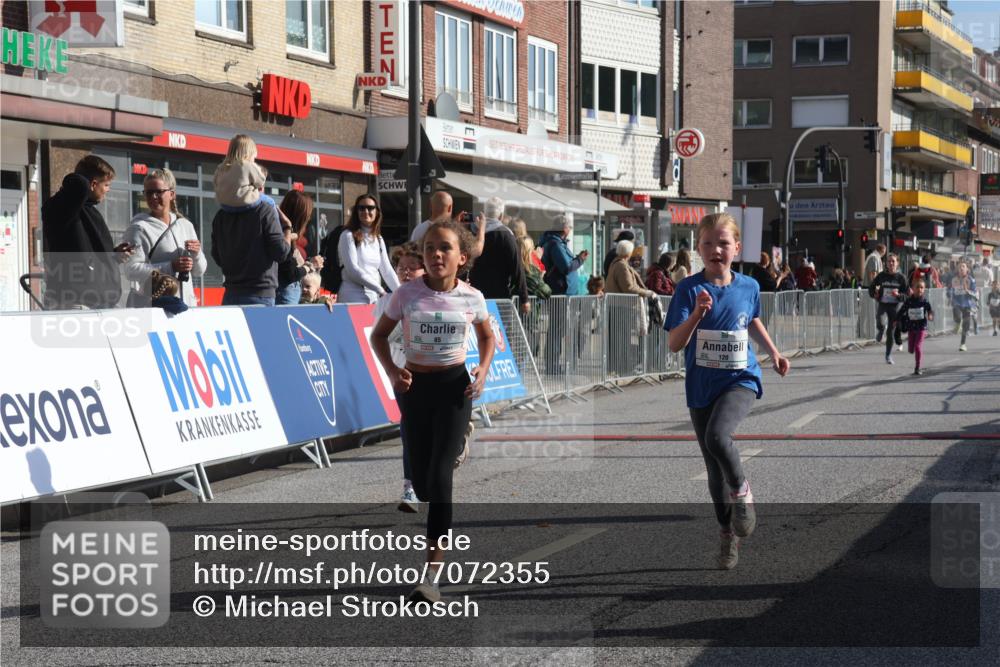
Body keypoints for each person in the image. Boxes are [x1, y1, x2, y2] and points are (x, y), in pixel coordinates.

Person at [370, 220, 495, 604]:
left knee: (440, 482)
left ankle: (431, 577)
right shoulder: (406, 294)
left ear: (462, 257)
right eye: (429, 249)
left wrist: (483, 369)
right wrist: (393, 372)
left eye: (444, 248)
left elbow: (487, 336)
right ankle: (456, 445)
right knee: (421, 486)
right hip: (415, 389)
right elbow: (378, 336)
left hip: (454, 389)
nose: (436, 255)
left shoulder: (472, 298)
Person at [665, 213, 789, 570]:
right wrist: (695, 316)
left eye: (723, 243)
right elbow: (674, 344)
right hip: (702, 384)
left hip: (740, 378)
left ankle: (743, 492)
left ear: (737, 247)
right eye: (708, 243)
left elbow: (750, 319)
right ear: (699, 248)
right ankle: (726, 535)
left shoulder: (748, 286)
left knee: (719, 437)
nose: (715, 250)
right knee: (712, 469)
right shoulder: (688, 289)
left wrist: (774, 353)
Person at [42, 155, 133, 309]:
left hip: (99, 303)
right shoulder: (62, 208)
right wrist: (83, 179)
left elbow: (89, 254)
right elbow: (79, 185)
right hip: (77, 304)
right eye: (106, 185)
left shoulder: (90, 210)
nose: (108, 190)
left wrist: (114, 255)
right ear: (93, 184)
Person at [124, 168, 206, 308]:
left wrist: (197, 254)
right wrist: (170, 266)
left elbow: (199, 271)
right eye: (149, 192)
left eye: (158, 192)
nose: (153, 197)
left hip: (187, 306)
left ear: (172, 194)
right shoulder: (138, 228)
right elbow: (131, 270)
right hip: (157, 308)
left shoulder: (185, 225)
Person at [210, 182, 289, 307]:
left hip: (231, 293)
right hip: (260, 294)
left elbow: (217, 257)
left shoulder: (221, 216)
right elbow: (280, 253)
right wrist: (287, 229)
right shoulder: (265, 210)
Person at [468, 196, 530, 314]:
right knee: (500, 330)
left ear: (484, 213)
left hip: (473, 295)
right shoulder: (506, 235)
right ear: (501, 216)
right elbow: (517, 268)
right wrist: (524, 299)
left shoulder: (471, 231)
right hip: (499, 296)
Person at [337, 194, 400, 304]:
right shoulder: (347, 235)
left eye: (370, 208)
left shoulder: (378, 239)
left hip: (374, 298)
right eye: (361, 208)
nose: (366, 211)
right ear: (356, 212)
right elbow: (352, 270)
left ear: (377, 212)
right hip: (352, 296)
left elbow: (387, 270)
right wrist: (380, 289)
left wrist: (401, 293)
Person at [276, 190, 324, 305]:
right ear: (301, 216)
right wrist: (310, 265)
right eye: (308, 215)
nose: (309, 219)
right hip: (285, 296)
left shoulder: (285, 234)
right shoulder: (285, 236)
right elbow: (290, 274)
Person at [213, 134, 276, 212]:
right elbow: (261, 180)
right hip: (244, 202)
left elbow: (215, 183)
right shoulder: (247, 164)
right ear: (249, 154)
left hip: (225, 205)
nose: (253, 160)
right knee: (270, 202)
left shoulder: (221, 167)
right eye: (254, 158)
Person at [411, 191, 485, 257]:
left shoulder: (418, 229)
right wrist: (481, 228)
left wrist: (454, 224)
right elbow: (476, 251)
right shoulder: (449, 231)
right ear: (450, 208)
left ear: (431, 206)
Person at [870, 253, 908, 364]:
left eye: (893, 261)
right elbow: (872, 287)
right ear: (886, 263)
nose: (891, 263)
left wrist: (899, 296)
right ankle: (881, 330)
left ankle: (888, 355)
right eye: (889, 261)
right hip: (883, 303)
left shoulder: (901, 278)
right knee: (880, 322)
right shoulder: (881, 276)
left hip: (895, 306)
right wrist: (874, 294)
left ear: (897, 263)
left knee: (891, 333)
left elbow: (907, 294)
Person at [540, 215, 588, 296]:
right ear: (564, 228)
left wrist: (578, 258)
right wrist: (580, 259)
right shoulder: (556, 245)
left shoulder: (557, 243)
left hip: (564, 292)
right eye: (569, 227)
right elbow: (566, 267)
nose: (570, 230)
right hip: (562, 293)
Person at [900, 278, 933, 376]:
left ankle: (917, 367)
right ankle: (912, 349)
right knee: (911, 349)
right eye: (917, 287)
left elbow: (930, 310)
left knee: (917, 347)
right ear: (913, 289)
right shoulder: (909, 301)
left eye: (922, 288)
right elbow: (902, 310)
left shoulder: (925, 301)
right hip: (911, 327)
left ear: (924, 289)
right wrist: (895, 319)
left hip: (921, 327)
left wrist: (930, 315)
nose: (920, 289)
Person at [949, 260, 977, 352]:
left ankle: (963, 344)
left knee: (966, 325)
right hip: (957, 302)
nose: (961, 268)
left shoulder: (971, 280)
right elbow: (950, 290)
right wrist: (950, 296)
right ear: (957, 269)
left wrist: (967, 291)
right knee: (957, 317)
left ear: (967, 269)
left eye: (963, 266)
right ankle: (957, 323)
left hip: (967, 304)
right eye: (960, 266)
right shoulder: (954, 279)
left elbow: (975, 293)